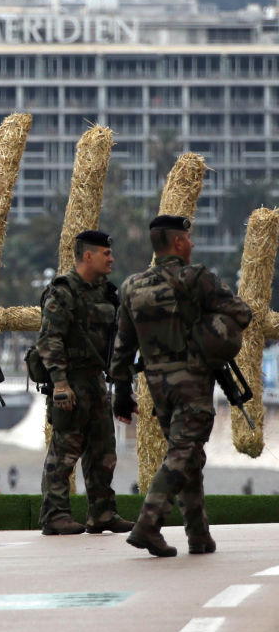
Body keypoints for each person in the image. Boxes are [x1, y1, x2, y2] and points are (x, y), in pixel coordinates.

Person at [111, 214, 252, 557]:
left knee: (189, 456)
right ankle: (148, 524)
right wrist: (211, 334)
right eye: (188, 238)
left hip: (157, 385)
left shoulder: (132, 286)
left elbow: (123, 346)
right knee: (182, 453)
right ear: (177, 242)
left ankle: (198, 535)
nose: (191, 244)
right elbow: (242, 313)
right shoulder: (196, 278)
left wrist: (121, 391)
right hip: (192, 379)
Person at [36, 230, 134, 536]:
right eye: (106, 254)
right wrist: (60, 384)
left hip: (95, 381)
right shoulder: (62, 292)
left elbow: (117, 341)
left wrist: (121, 387)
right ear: (88, 255)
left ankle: (102, 513)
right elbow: (49, 340)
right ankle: (55, 515)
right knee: (64, 452)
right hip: (70, 382)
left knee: (104, 451)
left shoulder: (106, 293)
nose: (112, 259)